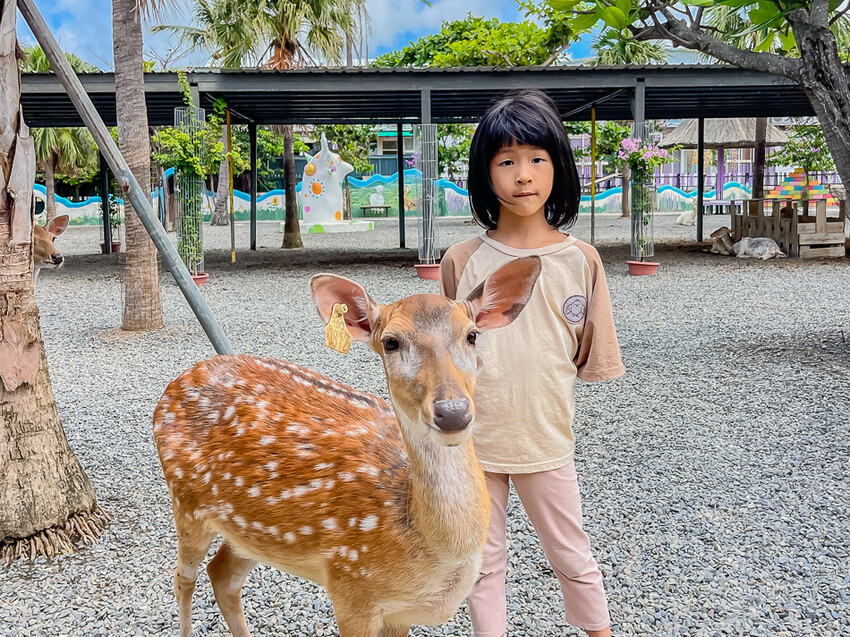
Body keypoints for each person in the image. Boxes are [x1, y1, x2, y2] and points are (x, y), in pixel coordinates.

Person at [439, 89, 625, 637]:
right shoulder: (462, 261)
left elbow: (590, 353)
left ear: (558, 166)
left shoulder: (581, 260)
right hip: (473, 445)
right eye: (506, 161)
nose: (523, 175)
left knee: (572, 554)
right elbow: (449, 354)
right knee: (481, 562)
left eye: (537, 158)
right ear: (485, 175)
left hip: (546, 441)